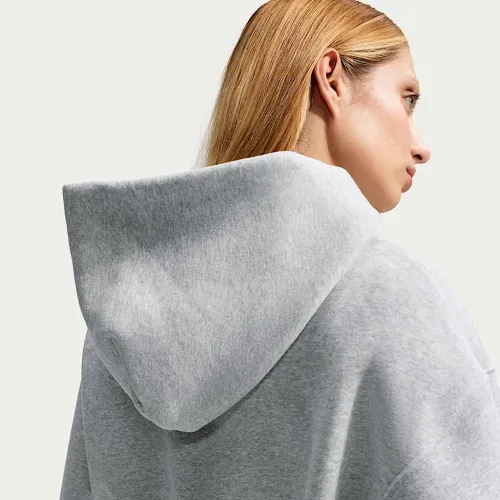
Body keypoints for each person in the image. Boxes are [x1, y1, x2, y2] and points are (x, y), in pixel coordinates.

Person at [59, 1, 500, 499]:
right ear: (331, 79)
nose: (421, 145)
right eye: (407, 97)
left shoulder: (122, 333)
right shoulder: (391, 298)